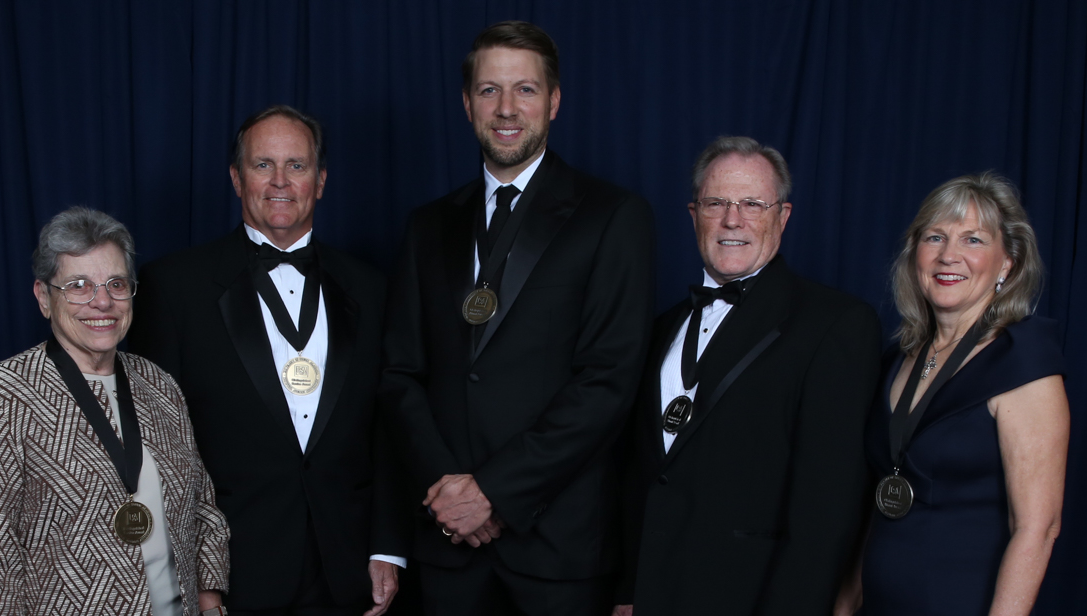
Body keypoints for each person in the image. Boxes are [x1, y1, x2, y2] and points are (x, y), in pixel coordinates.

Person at [378, 20, 656, 616]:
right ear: (466, 103)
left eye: (525, 90)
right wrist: (450, 497)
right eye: (489, 90)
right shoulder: (427, 226)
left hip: (557, 548)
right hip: (448, 543)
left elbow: (608, 381)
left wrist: (494, 494)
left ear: (554, 101)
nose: (506, 108)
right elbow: (400, 374)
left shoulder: (613, 217)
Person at [128, 105, 407, 616]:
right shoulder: (174, 288)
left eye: (296, 166)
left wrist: (385, 546)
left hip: (346, 571)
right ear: (236, 179)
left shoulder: (372, 288)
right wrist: (191, 572)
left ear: (320, 181)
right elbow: (154, 449)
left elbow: (387, 428)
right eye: (263, 165)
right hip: (231, 573)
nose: (280, 181)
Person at [614, 136, 882, 615]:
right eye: (716, 202)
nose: (732, 219)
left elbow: (828, 506)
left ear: (782, 216)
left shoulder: (835, 324)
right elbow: (640, 478)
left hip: (754, 598)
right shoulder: (656, 329)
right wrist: (628, 593)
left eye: (753, 204)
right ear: (694, 213)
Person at [0, 207, 230, 615]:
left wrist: (210, 598)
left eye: (116, 284)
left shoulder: (159, 386)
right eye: (79, 285)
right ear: (44, 297)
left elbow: (201, 505)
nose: (102, 302)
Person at [846, 173, 1069, 616]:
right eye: (935, 237)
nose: (949, 255)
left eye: (973, 239)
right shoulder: (897, 359)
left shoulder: (1022, 361)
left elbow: (1037, 528)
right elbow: (875, 499)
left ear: (1007, 262)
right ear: (915, 255)